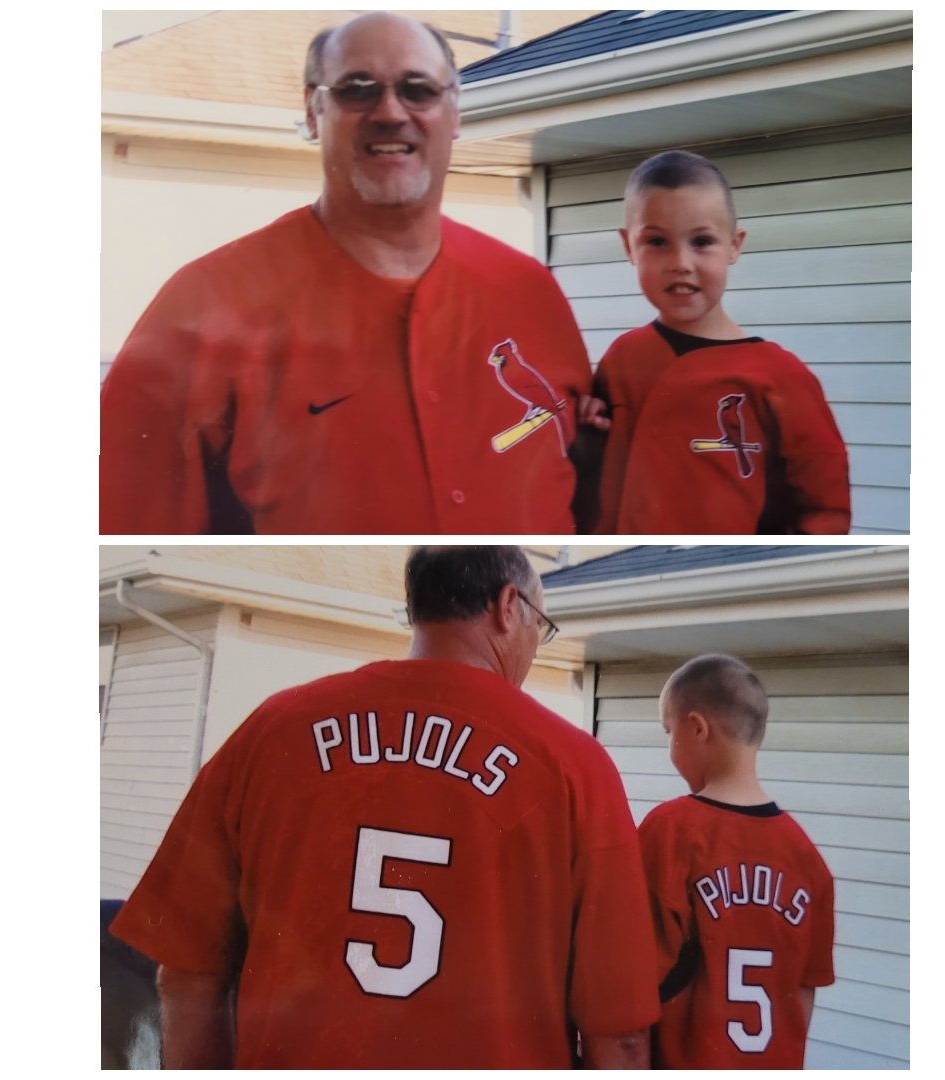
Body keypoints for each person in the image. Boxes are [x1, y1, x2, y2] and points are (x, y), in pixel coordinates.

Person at [110, 546, 659, 1068]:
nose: (536, 643)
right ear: (508, 606)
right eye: (539, 623)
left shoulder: (271, 732)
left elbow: (184, 973)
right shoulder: (574, 766)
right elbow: (622, 1035)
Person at [100, 14, 592, 534]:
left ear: (454, 114)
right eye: (357, 89)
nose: (390, 111)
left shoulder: (531, 294)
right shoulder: (201, 308)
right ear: (313, 111)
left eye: (418, 89)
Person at [577, 150, 850, 534]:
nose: (680, 262)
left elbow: (825, 507)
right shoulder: (623, 359)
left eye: (702, 241)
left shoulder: (781, 377)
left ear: (734, 245)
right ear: (628, 247)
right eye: (657, 242)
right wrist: (586, 429)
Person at [637, 654, 835, 1069]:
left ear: (696, 729)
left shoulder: (670, 831)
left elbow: (635, 982)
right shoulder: (807, 858)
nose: (670, 747)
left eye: (669, 733)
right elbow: (804, 991)